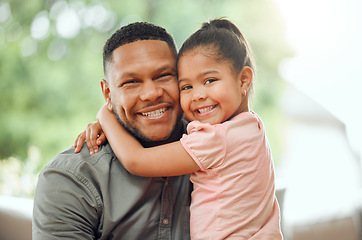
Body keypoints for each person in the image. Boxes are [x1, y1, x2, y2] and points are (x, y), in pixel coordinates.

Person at [79, 19, 283, 239]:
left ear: (243, 79)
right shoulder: (251, 126)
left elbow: (136, 160)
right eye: (186, 87)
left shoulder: (216, 139)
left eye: (210, 80)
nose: (198, 96)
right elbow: (176, 111)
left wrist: (106, 115)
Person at [32, 22, 192, 240]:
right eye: (131, 82)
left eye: (163, 75)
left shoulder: (224, 147)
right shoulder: (70, 181)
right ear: (107, 94)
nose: (151, 93)